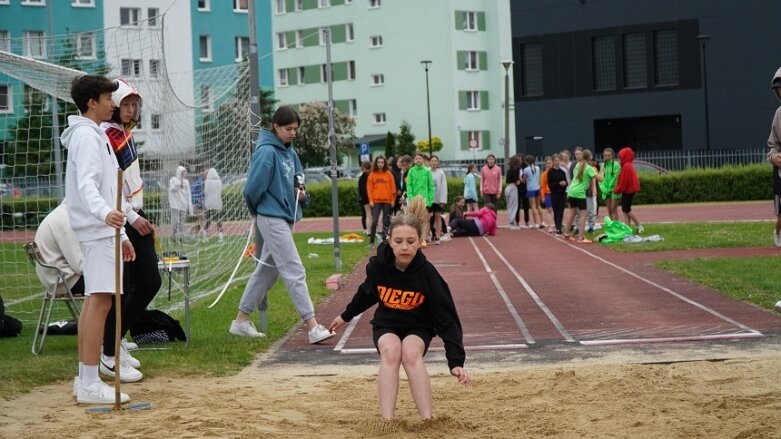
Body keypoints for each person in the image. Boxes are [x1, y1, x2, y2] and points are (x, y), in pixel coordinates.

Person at [328, 196, 469, 421]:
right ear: (390, 241)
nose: (405, 247)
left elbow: (446, 318)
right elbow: (367, 294)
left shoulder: (428, 275)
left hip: (419, 326)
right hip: (387, 324)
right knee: (391, 352)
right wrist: (345, 316)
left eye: (411, 241)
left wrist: (456, 361)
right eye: (399, 241)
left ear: (421, 241)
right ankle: (387, 421)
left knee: (411, 354)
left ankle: (427, 420)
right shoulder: (378, 268)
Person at [230, 105, 334, 344]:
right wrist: (260, 211)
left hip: (284, 217)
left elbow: (299, 182)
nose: (293, 133)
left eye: (296, 129)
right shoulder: (266, 153)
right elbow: (252, 189)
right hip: (271, 216)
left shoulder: (291, 153)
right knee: (294, 268)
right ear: (275, 126)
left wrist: (302, 195)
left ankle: (240, 321)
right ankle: (312, 325)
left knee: (268, 269)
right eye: (288, 128)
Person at [61, 74, 135, 404]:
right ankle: (90, 381)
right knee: (100, 301)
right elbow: (88, 185)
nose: (113, 104)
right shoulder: (87, 137)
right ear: (92, 102)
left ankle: (85, 379)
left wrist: (119, 235)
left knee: (97, 301)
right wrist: (106, 215)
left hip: (104, 230)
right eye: (108, 98)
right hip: (97, 227)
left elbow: (106, 185)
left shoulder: (95, 134)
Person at [99, 78, 161, 383]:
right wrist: (131, 215)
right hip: (120, 218)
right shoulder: (106, 135)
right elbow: (109, 186)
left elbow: (129, 180)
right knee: (147, 281)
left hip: (134, 213)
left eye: (134, 103)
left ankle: (114, 343)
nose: (130, 108)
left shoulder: (125, 134)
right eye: (125, 103)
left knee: (136, 284)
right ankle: (108, 351)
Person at [33, 203, 85, 296]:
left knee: (114, 280)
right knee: (115, 281)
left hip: (54, 279)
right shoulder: (66, 220)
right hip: (65, 282)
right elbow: (80, 266)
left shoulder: (61, 214)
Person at [563, 149, 603, 243]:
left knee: (572, 213)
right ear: (590, 157)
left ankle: (566, 234)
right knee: (583, 215)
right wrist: (602, 170)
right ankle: (581, 237)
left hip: (571, 191)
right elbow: (600, 179)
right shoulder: (589, 168)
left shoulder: (577, 165)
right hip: (579, 193)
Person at [405, 153, 435, 245]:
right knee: (415, 220)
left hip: (425, 199)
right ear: (414, 160)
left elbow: (431, 186)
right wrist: (410, 197)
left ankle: (423, 239)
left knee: (424, 220)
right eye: (416, 158)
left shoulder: (427, 171)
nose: (418, 160)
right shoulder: (411, 171)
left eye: (420, 158)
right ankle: (415, 238)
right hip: (414, 199)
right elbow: (409, 185)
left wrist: (430, 200)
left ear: (423, 160)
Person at [613, 146, 644, 234]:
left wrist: (617, 190)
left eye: (621, 156)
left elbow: (624, 181)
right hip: (629, 190)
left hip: (628, 190)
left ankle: (639, 225)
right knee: (625, 209)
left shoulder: (626, 166)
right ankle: (627, 227)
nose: (619, 158)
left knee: (627, 210)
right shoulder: (628, 165)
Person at [367, 155, 397, 247]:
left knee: (386, 221)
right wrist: (371, 200)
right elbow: (369, 189)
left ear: (385, 163)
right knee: (374, 221)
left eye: (382, 162)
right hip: (376, 201)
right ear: (376, 163)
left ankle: (384, 240)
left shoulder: (389, 174)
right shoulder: (372, 174)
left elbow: (393, 188)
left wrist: (393, 200)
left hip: (387, 201)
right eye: (379, 162)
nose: (380, 164)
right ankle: (371, 241)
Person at [767, 66, 781, 247]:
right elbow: (773, 144)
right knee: (780, 219)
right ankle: (778, 231)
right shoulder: (779, 114)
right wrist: (774, 157)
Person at [168, 166, 193, 243]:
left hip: (183, 205)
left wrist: (190, 206)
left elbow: (189, 194)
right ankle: (173, 236)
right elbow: (172, 189)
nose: (184, 174)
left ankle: (181, 238)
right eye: (183, 172)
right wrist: (180, 183)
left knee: (182, 222)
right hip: (175, 205)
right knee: (175, 222)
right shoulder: (173, 180)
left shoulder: (187, 182)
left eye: (185, 172)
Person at [547, 154, 568, 237]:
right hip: (554, 194)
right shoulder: (550, 172)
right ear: (553, 162)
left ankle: (559, 228)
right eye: (555, 161)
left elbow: (566, 182)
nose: (557, 162)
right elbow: (550, 184)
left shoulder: (562, 172)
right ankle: (557, 227)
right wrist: (559, 183)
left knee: (561, 211)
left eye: (558, 160)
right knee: (556, 211)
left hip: (562, 194)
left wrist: (565, 183)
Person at [599, 147, 622, 222]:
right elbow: (600, 178)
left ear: (612, 156)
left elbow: (615, 178)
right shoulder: (602, 165)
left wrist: (610, 189)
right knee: (609, 210)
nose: (607, 157)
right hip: (606, 191)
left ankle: (616, 227)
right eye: (605, 155)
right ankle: (612, 227)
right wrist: (604, 189)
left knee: (613, 209)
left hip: (614, 190)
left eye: (609, 155)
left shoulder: (616, 165)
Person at [429, 155, 447, 244]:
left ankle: (438, 236)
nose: (434, 162)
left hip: (437, 199)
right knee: (426, 219)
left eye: (435, 161)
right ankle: (428, 236)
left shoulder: (441, 173)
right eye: (432, 161)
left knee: (438, 218)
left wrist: (442, 200)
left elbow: (444, 187)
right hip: (428, 199)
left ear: (438, 162)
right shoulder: (427, 171)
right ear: (429, 162)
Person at [521, 154, 543, 228]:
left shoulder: (526, 169)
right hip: (537, 188)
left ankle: (536, 223)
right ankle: (542, 221)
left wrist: (520, 177)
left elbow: (523, 181)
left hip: (530, 189)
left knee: (533, 206)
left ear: (527, 161)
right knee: (538, 205)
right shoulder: (537, 168)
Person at [203, 167, 224, 242]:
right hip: (217, 203)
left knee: (208, 220)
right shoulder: (219, 181)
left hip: (209, 203)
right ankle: (221, 238)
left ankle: (205, 238)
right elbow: (220, 191)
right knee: (219, 221)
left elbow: (205, 192)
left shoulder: (207, 181)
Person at [504, 155, 522, 229]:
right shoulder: (515, 170)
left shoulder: (509, 170)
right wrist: (521, 179)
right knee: (514, 206)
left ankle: (511, 221)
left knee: (509, 205)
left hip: (507, 187)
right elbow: (517, 182)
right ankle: (512, 222)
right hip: (513, 187)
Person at [189, 167, 206, 239]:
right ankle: (193, 232)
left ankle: (194, 234)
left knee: (200, 220)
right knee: (202, 219)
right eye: (204, 171)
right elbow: (198, 192)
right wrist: (199, 199)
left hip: (197, 202)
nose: (205, 173)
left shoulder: (198, 180)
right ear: (200, 172)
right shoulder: (200, 181)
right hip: (199, 203)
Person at [540, 156, 554, 232]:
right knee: (549, 209)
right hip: (548, 194)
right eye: (547, 163)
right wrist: (543, 196)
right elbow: (542, 186)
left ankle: (556, 225)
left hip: (555, 193)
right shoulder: (544, 174)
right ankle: (550, 226)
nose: (549, 165)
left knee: (556, 210)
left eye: (550, 163)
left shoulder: (555, 172)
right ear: (545, 165)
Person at [358, 161, 372, 235]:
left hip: (370, 198)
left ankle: (369, 229)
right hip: (365, 199)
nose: (366, 171)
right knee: (366, 214)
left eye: (367, 169)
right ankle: (366, 228)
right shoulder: (362, 178)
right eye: (365, 169)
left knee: (369, 215)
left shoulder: (370, 176)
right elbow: (362, 190)